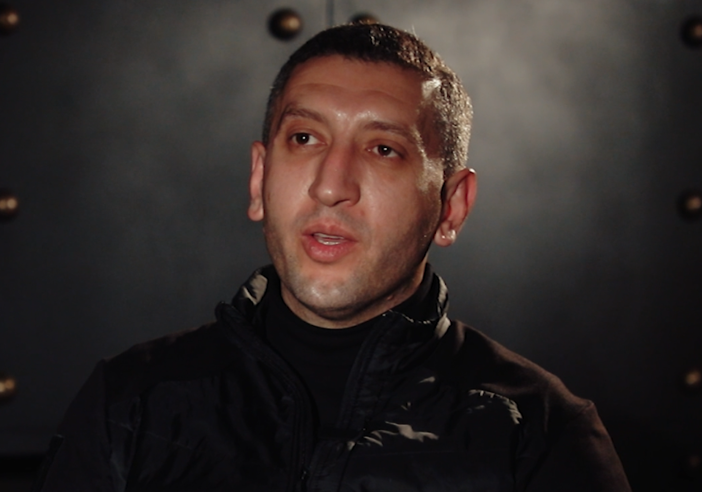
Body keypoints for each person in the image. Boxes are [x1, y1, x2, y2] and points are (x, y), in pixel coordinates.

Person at [32, 23, 631, 492]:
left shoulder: (539, 432)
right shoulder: (129, 404)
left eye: (383, 149)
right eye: (304, 138)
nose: (330, 185)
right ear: (259, 178)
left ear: (451, 206)